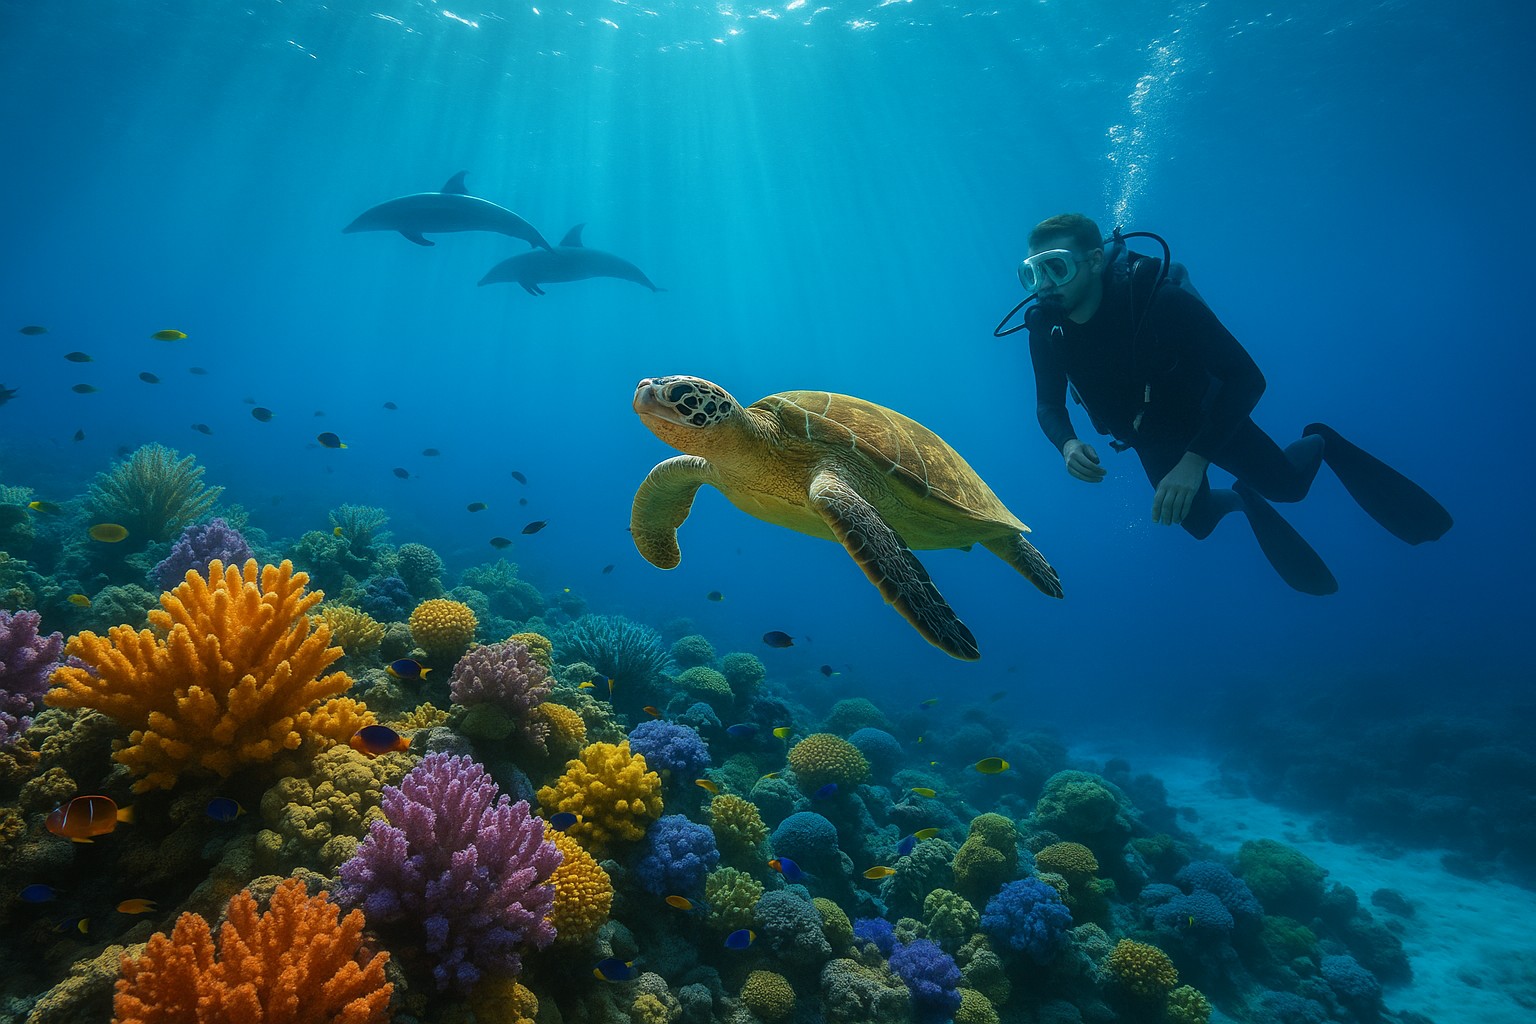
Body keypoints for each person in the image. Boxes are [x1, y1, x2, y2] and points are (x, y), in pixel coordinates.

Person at [1019, 213, 1451, 594]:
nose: (1044, 287)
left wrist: (1194, 462)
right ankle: (1243, 497)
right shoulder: (1043, 325)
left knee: (1289, 490)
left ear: (1094, 260)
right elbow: (1049, 406)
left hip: (1210, 418)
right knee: (1199, 525)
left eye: (1055, 268)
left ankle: (1321, 439)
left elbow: (1248, 379)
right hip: (1149, 435)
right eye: (1031, 274)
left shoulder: (1159, 302)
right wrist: (1068, 445)